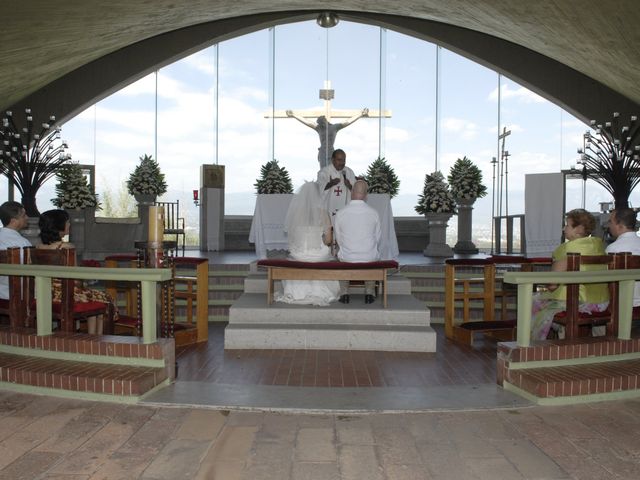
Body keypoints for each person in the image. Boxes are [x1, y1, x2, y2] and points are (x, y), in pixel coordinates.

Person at [530, 209, 609, 339]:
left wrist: (547, 285)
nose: (563, 228)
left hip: (577, 304)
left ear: (579, 229)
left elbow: (552, 284)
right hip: (602, 303)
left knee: (532, 300)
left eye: (567, 225)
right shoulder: (599, 246)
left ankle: (533, 344)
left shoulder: (566, 249)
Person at [38, 209, 118, 334]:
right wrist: (84, 284)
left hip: (47, 293)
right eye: (67, 222)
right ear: (59, 226)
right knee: (105, 298)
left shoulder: (38, 247)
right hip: (66, 294)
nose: (69, 225)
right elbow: (75, 277)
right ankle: (95, 338)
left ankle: (92, 336)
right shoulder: (67, 247)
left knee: (95, 296)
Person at [273, 182, 340, 306]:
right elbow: (329, 241)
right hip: (318, 255)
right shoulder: (323, 213)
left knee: (294, 256)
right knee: (325, 254)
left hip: (299, 254)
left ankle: (297, 292)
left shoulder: (296, 213)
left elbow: (292, 240)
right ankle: (320, 292)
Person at [334, 180, 381, 304]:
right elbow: (377, 238)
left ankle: (344, 294)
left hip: (348, 257)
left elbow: (338, 239)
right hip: (368, 257)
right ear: (366, 195)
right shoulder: (374, 213)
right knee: (370, 254)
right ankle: (369, 293)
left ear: (351, 192)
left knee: (342, 256)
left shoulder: (341, 213)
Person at [287, 109, 368, 169]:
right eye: (319, 122)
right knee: (323, 171)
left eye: (321, 121)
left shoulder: (335, 127)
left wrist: (360, 114)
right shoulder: (319, 128)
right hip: (322, 152)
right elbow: (306, 122)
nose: (319, 123)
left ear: (325, 120)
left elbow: (347, 121)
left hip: (331, 152)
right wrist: (294, 115)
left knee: (332, 170)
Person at [606, 207, 640, 306]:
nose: (609, 226)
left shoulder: (613, 249)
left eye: (611, 222)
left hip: (623, 305)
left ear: (619, 225)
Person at [0, 201, 32, 300]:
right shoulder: (23, 244)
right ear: (13, 221)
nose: (27, 217)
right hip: (17, 295)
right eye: (24, 215)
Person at [316, 149, 357, 224]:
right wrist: (330, 184)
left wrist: (350, 186)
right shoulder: (324, 172)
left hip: (345, 211)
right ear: (332, 160)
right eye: (339, 160)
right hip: (327, 210)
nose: (342, 163)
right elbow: (319, 188)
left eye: (344, 160)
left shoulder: (349, 172)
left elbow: (356, 192)